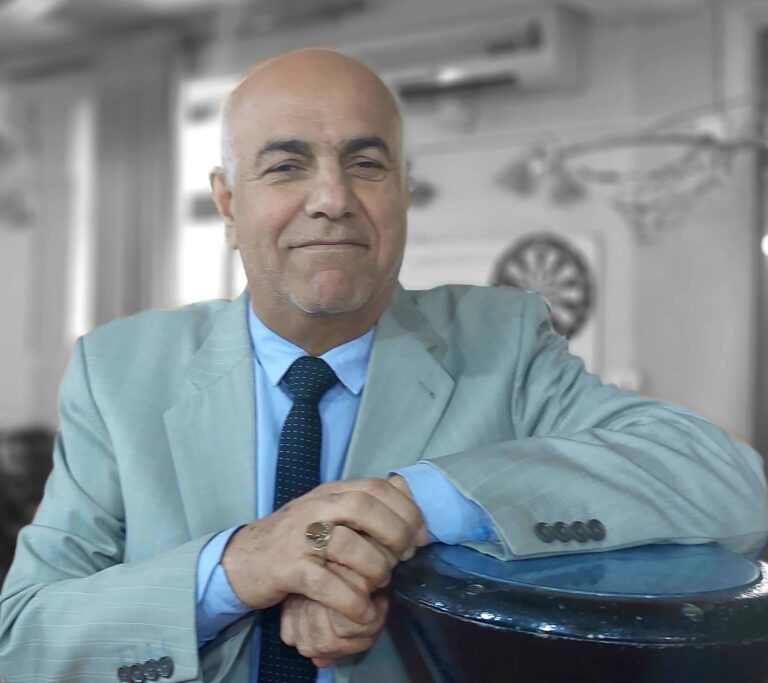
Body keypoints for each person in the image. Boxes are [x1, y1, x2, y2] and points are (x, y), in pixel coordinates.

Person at [0, 47, 766, 683]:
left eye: (365, 164)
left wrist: (411, 504)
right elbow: (22, 639)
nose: (332, 198)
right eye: (287, 166)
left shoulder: (500, 341)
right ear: (228, 205)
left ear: (403, 192)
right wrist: (237, 569)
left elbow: (730, 480)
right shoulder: (117, 369)